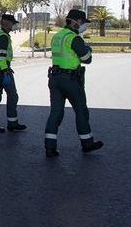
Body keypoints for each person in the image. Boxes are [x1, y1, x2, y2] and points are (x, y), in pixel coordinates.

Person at [44, 9, 104, 157]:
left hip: (55, 78)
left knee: (56, 112)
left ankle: (50, 147)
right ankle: (87, 143)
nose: (84, 25)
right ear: (76, 21)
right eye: (83, 22)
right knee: (81, 111)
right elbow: (86, 59)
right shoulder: (74, 38)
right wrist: (88, 50)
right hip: (70, 80)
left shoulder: (57, 36)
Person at [0, 14, 26, 133]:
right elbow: (1, 56)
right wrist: (5, 70)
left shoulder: (0, 34)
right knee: (13, 95)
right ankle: (12, 123)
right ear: (6, 23)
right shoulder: (3, 37)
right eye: (12, 23)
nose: (14, 25)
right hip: (1, 70)